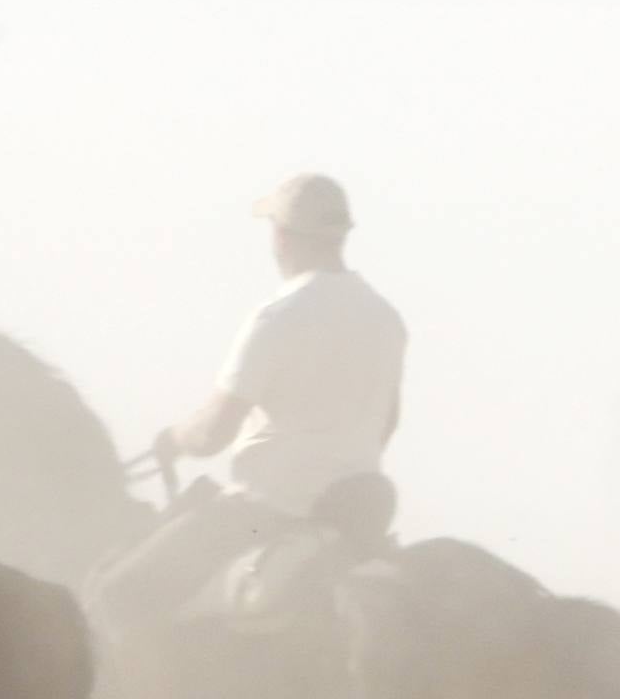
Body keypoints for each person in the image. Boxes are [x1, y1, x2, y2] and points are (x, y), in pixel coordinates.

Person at [92, 173, 407, 631]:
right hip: (357, 510)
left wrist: (172, 441)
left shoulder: (279, 316)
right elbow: (386, 424)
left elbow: (211, 434)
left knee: (115, 597)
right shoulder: (385, 318)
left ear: (281, 236)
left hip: (269, 511)